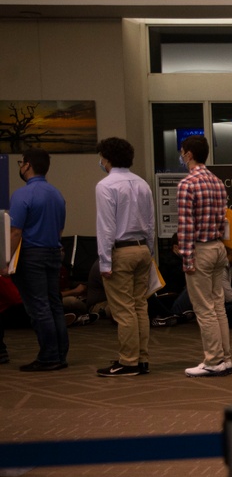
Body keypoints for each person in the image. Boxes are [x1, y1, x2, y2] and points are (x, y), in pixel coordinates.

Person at [93, 137, 157, 377]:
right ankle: (141, 358)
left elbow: (106, 228)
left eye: (101, 157)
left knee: (123, 309)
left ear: (107, 159)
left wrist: (105, 261)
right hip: (142, 249)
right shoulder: (142, 183)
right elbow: (150, 224)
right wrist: (150, 252)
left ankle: (128, 361)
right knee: (140, 305)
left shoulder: (106, 185)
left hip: (121, 250)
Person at [3, 148, 69, 372]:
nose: (20, 166)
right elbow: (60, 229)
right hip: (53, 253)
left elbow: (15, 233)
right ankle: (60, 353)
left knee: (38, 307)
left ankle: (49, 356)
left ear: (28, 165)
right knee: (54, 305)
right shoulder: (56, 194)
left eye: (20, 162)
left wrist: (5, 262)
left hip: (31, 255)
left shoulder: (22, 194)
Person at [176, 135, 232, 378]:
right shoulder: (217, 182)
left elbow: (186, 226)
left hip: (199, 249)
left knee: (204, 309)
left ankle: (213, 360)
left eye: (182, 152)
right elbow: (225, 219)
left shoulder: (187, 184)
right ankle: (225, 358)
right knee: (218, 305)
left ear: (189, 154)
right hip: (218, 247)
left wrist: (187, 259)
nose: (181, 156)